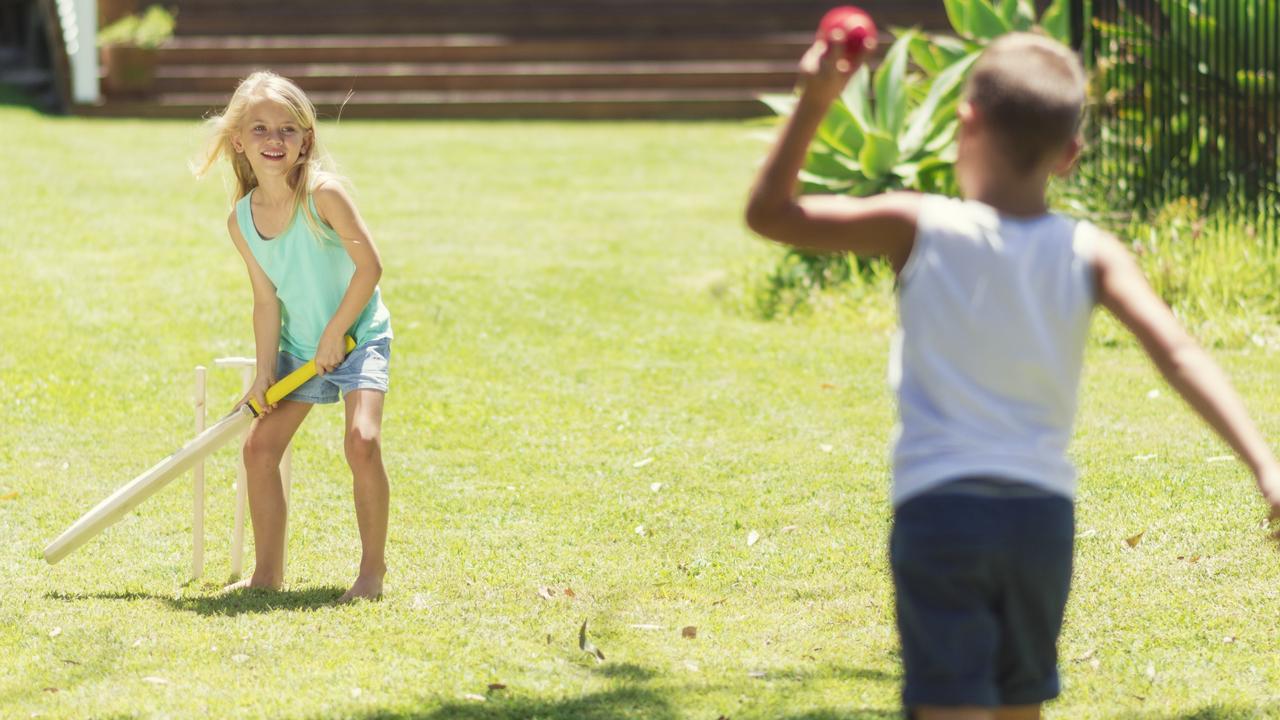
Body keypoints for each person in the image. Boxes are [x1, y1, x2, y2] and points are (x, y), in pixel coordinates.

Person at [745, 31, 1280, 720]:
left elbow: (770, 215)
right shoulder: (1090, 250)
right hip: (1040, 523)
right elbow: (1177, 350)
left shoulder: (916, 224)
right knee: (1018, 706)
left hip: (942, 512)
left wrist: (816, 99)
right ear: (1070, 155)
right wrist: (1265, 464)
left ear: (965, 123)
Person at [194, 71, 394, 603]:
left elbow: (369, 268)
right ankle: (267, 574)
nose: (274, 140)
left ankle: (371, 574)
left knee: (363, 441)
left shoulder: (324, 194)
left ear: (306, 138)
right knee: (259, 447)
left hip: (357, 337)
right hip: (302, 349)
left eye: (287, 129)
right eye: (259, 129)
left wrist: (336, 334)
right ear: (239, 141)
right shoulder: (242, 219)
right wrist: (265, 372)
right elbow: (266, 300)